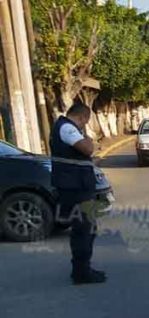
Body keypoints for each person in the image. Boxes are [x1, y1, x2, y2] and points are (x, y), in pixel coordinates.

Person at [50, 103, 104, 284]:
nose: (85, 125)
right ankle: (82, 273)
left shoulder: (67, 128)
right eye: (85, 122)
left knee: (87, 229)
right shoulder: (67, 128)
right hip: (75, 188)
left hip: (77, 186)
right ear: (82, 118)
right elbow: (88, 149)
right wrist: (88, 140)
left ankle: (83, 268)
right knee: (83, 231)